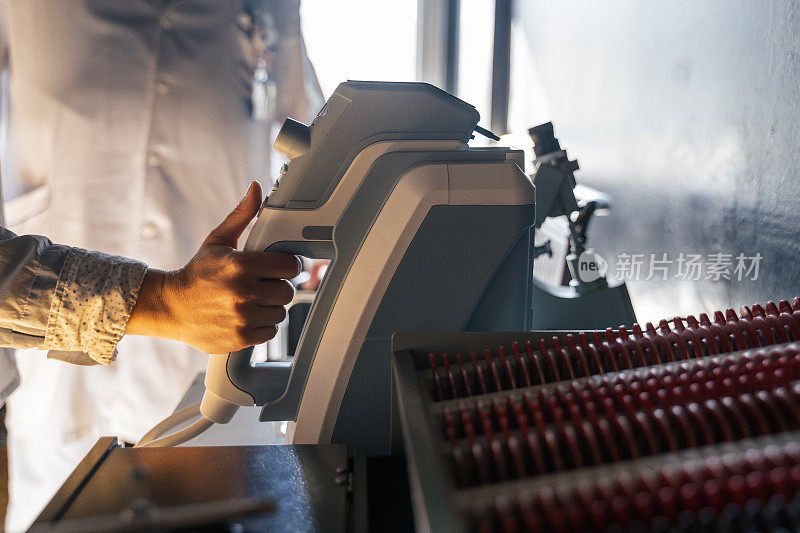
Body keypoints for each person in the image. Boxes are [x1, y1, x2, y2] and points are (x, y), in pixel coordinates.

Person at [0, 1, 323, 530]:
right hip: (51, 320)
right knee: (60, 499)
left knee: (204, 496)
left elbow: (307, 130)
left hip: (212, 325)